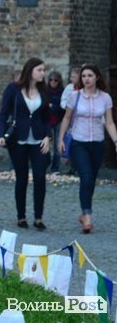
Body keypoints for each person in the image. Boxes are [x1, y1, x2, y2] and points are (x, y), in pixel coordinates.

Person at [57, 64, 117, 233]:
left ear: (96, 77)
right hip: (79, 142)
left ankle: (84, 213)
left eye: (90, 75)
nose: (86, 79)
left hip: (97, 143)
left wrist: (116, 141)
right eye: (84, 76)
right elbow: (67, 118)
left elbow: (109, 122)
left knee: (91, 180)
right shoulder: (75, 96)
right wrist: (61, 139)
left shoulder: (105, 98)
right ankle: (88, 216)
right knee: (86, 177)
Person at [0, 57, 52, 230]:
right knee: (22, 177)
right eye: (39, 70)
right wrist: (0, 135)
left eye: (43, 70)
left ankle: (38, 217)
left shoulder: (44, 90)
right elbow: (3, 113)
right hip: (18, 139)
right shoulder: (13, 89)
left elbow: (47, 118)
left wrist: (48, 136)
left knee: (40, 176)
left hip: (38, 139)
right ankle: (21, 216)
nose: (42, 73)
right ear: (30, 71)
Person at [46, 70, 64, 173]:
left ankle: (55, 168)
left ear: (59, 81)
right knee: (44, 144)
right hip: (47, 120)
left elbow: (63, 107)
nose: (53, 82)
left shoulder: (62, 92)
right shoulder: (45, 91)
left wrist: (52, 106)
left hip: (58, 120)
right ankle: (44, 165)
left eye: (55, 80)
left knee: (57, 145)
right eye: (51, 80)